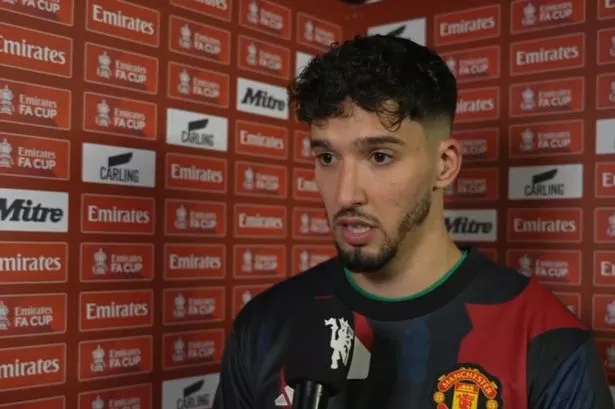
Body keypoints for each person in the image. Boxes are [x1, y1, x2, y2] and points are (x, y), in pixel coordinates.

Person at [213, 34, 614, 408]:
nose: (345, 194)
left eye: (380, 156)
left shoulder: (547, 341)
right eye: (327, 158)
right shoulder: (265, 325)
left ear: (444, 165)